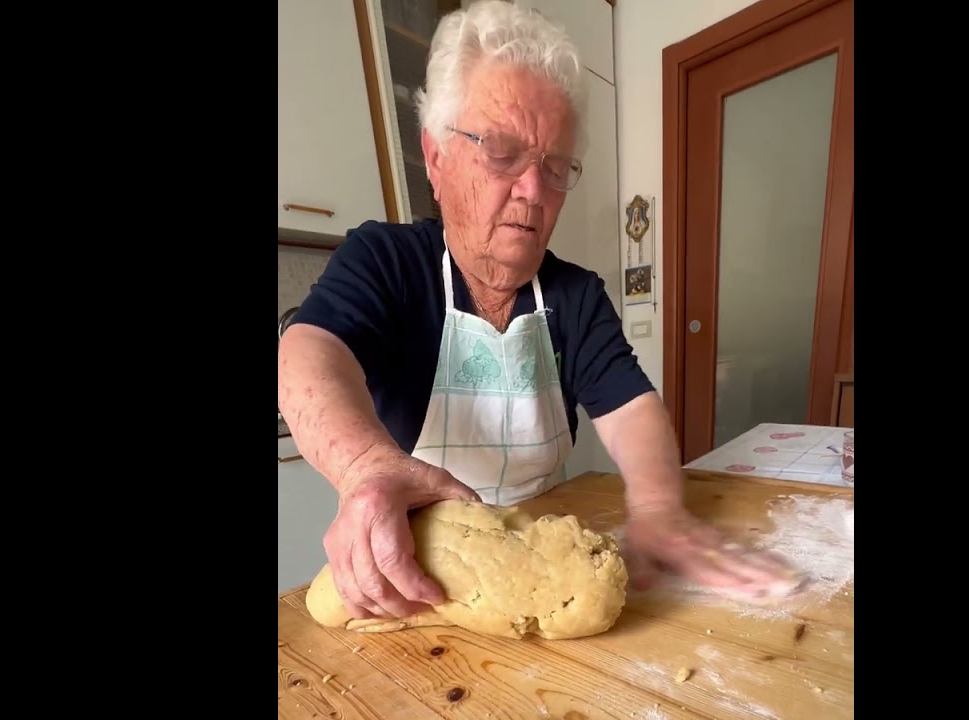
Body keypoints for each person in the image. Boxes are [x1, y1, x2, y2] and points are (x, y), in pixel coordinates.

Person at [277, 0, 803, 623]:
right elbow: (310, 350)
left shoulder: (575, 295)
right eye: (501, 152)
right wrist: (365, 468)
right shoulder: (387, 262)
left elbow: (634, 410)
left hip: (542, 556)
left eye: (554, 167)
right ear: (437, 158)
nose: (533, 191)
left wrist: (660, 508)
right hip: (415, 574)